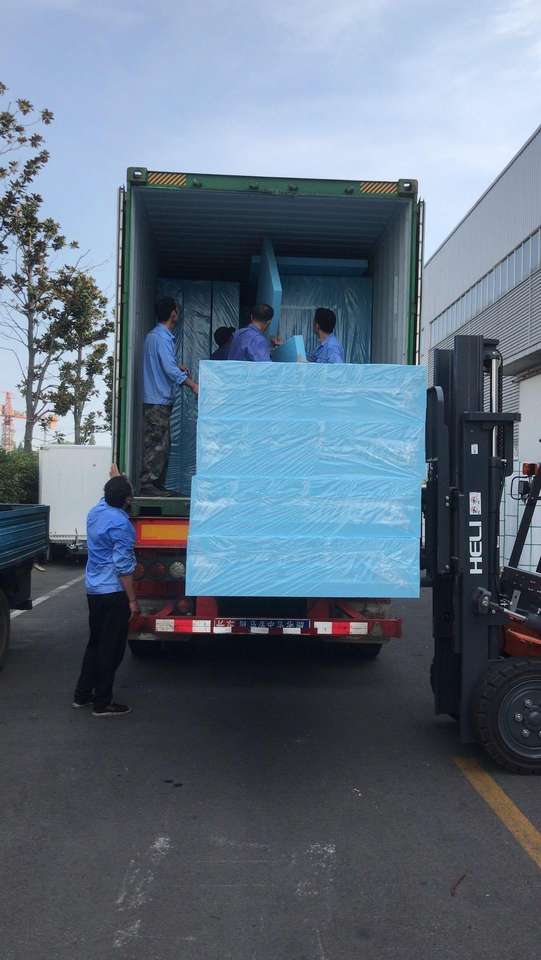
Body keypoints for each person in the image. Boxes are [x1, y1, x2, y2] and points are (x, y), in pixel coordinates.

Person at [73, 472, 138, 717]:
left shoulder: (95, 512)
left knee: (95, 643)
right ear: (128, 499)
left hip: (94, 590)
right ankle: (102, 702)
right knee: (111, 649)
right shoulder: (122, 525)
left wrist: (118, 480)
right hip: (113, 592)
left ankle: (82, 695)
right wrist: (132, 600)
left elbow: (110, 496)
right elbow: (123, 566)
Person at [140, 297, 199, 497]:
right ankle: (148, 484)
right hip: (157, 399)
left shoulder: (154, 336)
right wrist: (192, 385)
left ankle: (156, 484)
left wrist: (177, 367)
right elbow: (168, 369)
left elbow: (164, 365)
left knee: (161, 443)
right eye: (177, 311)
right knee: (157, 443)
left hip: (156, 398)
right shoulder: (162, 338)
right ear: (173, 314)